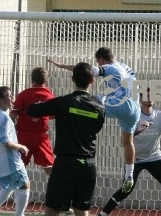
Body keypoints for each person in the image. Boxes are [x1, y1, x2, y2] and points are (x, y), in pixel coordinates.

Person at [47, 47, 140, 194]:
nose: (98, 64)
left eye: (97, 61)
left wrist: (62, 65)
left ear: (101, 59)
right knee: (128, 142)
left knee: (88, 100)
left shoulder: (108, 67)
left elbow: (84, 71)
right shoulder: (126, 67)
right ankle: (129, 175)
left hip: (120, 104)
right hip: (135, 108)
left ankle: (80, 135)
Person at [26, 62, 106, 216]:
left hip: (65, 164)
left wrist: (34, 98)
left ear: (72, 79)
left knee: (52, 209)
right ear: (92, 81)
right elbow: (95, 128)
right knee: (82, 211)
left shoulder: (63, 102)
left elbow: (33, 111)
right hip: (87, 165)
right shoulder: (100, 108)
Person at [97, 89, 161, 216]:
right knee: (126, 189)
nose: (150, 97)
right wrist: (138, 131)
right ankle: (103, 214)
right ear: (140, 99)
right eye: (147, 95)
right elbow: (125, 140)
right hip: (135, 159)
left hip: (154, 157)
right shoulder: (134, 116)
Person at [0, 86, 31, 216]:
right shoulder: (4, 117)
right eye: (9, 96)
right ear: (1, 100)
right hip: (10, 161)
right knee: (24, 185)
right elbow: (5, 142)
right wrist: (21, 146)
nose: (12, 98)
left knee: (11, 184)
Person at [10, 66, 55, 176]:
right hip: (40, 136)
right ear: (46, 80)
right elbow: (53, 115)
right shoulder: (49, 96)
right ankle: (58, 191)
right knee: (49, 166)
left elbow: (13, 115)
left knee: (19, 166)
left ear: (32, 80)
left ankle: (17, 192)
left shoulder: (24, 94)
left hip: (23, 136)